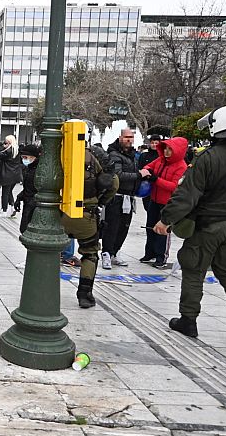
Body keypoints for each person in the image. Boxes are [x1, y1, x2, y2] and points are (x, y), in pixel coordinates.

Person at [155, 105, 226, 344]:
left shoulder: (208, 157)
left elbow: (187, 195)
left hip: (208, 226)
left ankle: (188, 320)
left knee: (194, 270)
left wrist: (166, 219)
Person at [61, 143, 118, 308]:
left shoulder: (57, 152)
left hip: (58, 214)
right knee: (90, 254)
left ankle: (43, 293)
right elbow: (113, 183)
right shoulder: (96, 155)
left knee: (49, 251)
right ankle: (84, 295)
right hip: (86, 214)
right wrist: (100, 202)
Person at [139, 137, 188, 268]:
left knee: (163, 231)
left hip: (167, 203)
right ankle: (149, 252)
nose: (166, 151)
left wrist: (156, 180)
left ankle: (161, 256)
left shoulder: (181, 166)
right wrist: (147, 171)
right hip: (154, 199)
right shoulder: (160, 160)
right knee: (150, 227)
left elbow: (174, 186)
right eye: (165, 148)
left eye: (170, 149)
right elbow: (148, 166)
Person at [102, 128, 145, 269]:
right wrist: (139, 175)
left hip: (129, 197)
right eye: (126, 137)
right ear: (120, 137)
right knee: (112, 226)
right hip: (116, 197)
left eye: (131, 137)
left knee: (124, 227)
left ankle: (115, 252)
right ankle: (107, 253)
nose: (129, 140)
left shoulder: (132, 155)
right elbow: (118, 175)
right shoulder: (114, 154)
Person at [15, 144, 40, 233]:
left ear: (34, 157)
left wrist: (31, 203)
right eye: (22, 157)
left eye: (26, 157)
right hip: (27, 202)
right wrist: (19, 197)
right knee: (24, 229)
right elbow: (28, 187)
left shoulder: (38, 170)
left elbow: (39, 189)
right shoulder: (29, 168)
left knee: (27, 230)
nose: (24, 160)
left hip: (34, 206)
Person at [0, 135, 22, 216]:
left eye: (6, 141)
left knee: (5, 193)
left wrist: (2, 147)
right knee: (9, 192)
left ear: (9, 141)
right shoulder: (16, 150)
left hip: (7, 174)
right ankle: (12, 208)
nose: (5, 142)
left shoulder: (8, 151)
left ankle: (4, 211)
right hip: (15, 175)